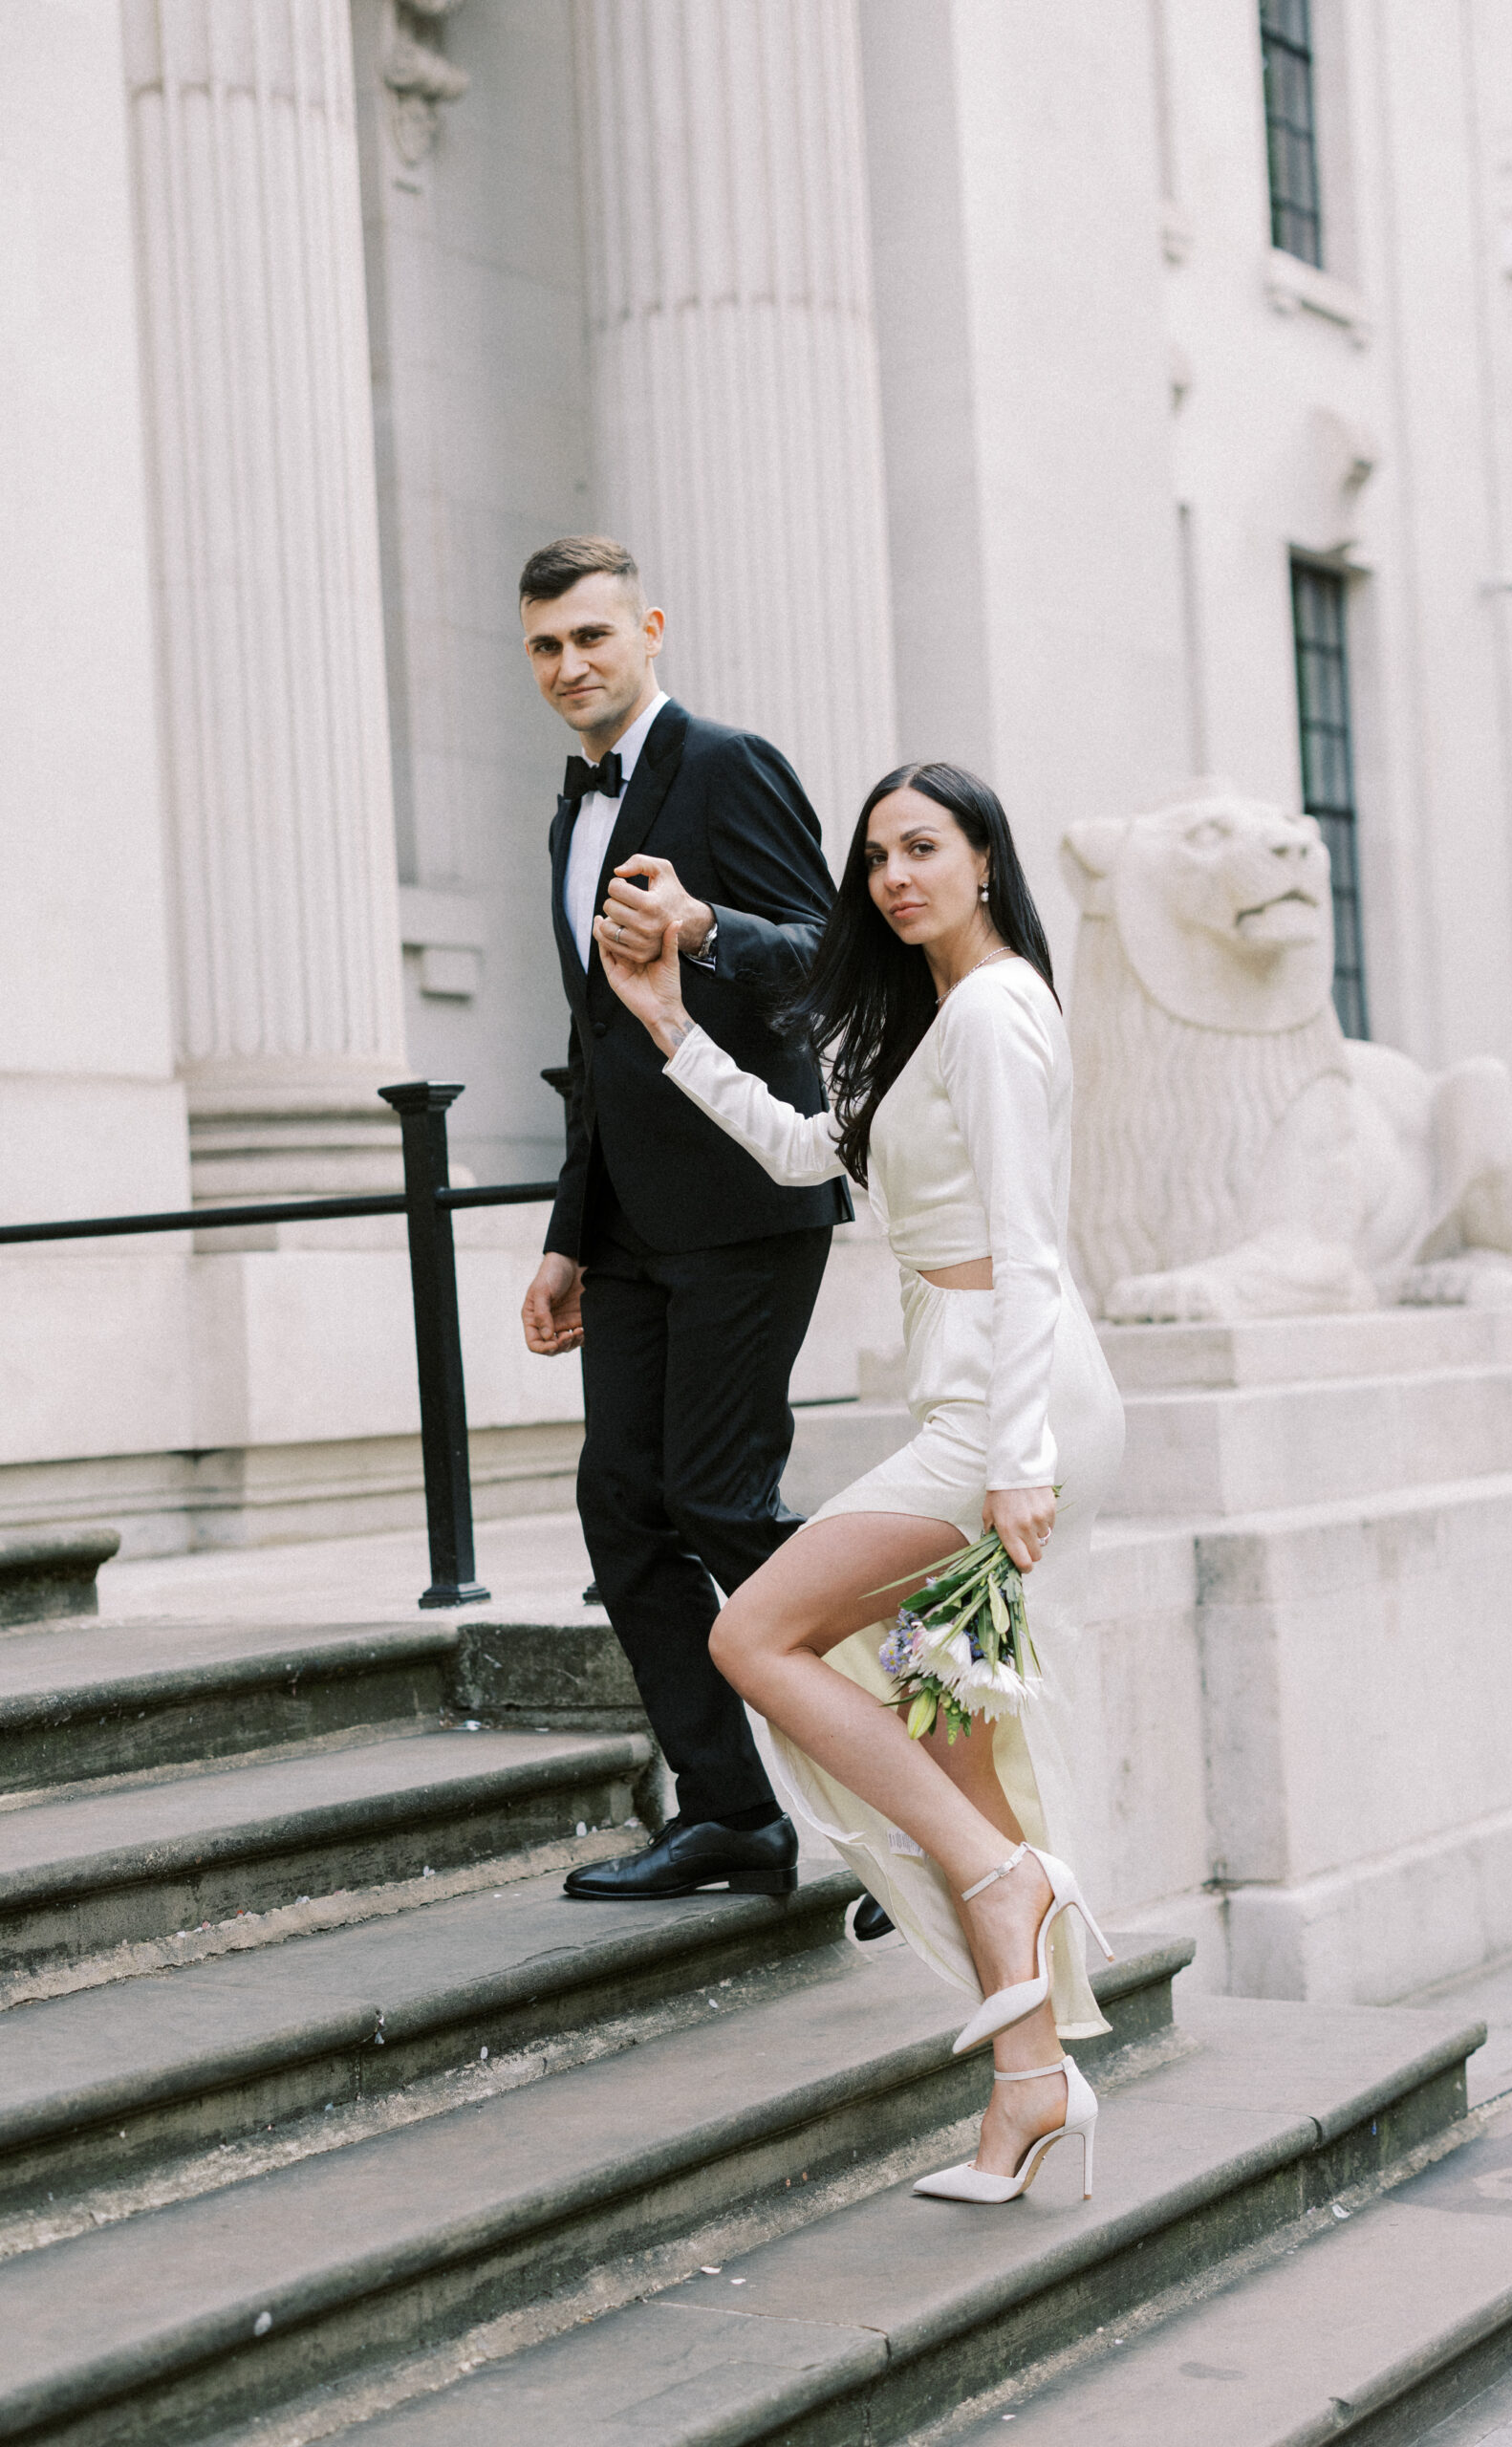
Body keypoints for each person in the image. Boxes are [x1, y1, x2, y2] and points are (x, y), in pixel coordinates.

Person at [594, 761, 1127, 2201]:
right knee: (951, 1727)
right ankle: (1031, 2087)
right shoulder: (930, 1022)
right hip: (977, 1393)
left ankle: (1000, 1877)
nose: (896, 877)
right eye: (877, 858)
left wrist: (1015, 1463)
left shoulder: (1002, 1008)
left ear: (984, 861)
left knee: (753, 1633)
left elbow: (1027, 1244)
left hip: (1005, 1407)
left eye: (925, 849)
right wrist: (664, 1027)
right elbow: (797, 1157)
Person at [518, 535, 851, 1901]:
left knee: (719, 1498)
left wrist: (707, 926)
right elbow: (594, 1045)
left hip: (745, 1202)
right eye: (544, 646)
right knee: (623, 1511)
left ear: (648, 629)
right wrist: (565, 1232)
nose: (569, 666)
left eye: (592, 637)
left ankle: (920, 1770)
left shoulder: (725, 765)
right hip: (632, 1229)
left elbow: (834, 963)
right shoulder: (566, 813)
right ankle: (732, 1813)